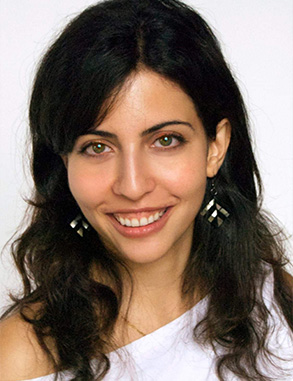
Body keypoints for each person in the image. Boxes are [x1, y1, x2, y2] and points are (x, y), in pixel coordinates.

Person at [0, 0, 292, 380]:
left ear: (215, 147)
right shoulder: (18, 358)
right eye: (97, 147)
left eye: (166, 140)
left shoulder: (276, 301)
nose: (133, 186)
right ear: (65, 163)